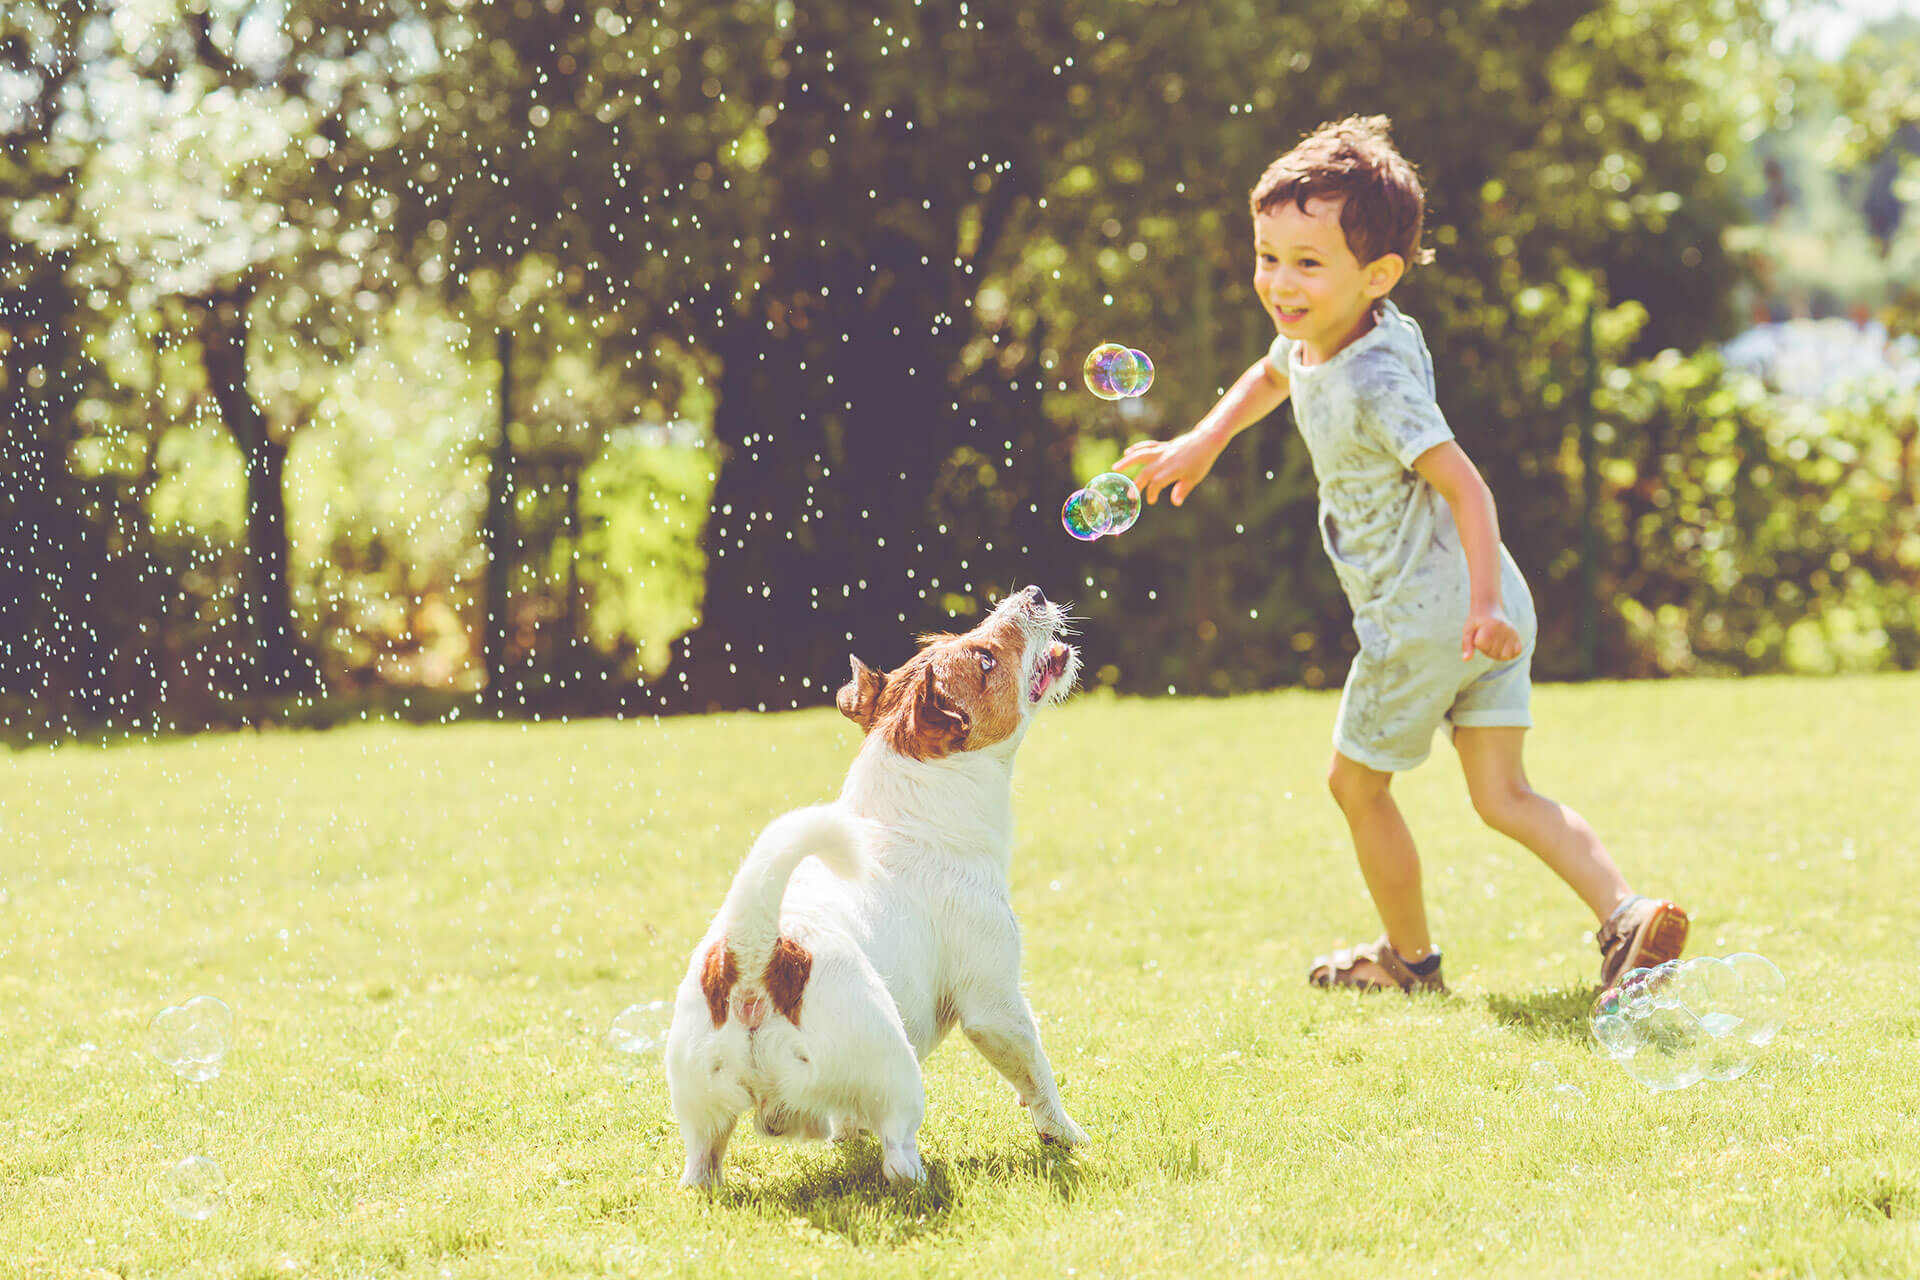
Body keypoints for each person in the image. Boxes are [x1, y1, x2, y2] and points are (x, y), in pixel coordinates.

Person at [1115, 115, 1688, 993]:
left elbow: (1468, 487)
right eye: (1269, 255)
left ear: (1376, 273)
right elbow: (1273, 370)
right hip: (1481, 602)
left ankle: (1410, 962)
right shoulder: (1343, 333)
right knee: (1504, 796)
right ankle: (1624, 914)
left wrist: (1482, 607)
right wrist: (1203, 439)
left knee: (1355, 786)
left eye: (1308, 263)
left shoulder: (1376, 382)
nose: (1280, 281)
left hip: (1431, 616)